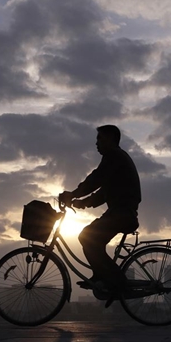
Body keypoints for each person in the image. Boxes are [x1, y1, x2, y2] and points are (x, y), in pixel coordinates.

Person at [59, 125, 141, 304]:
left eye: (100, 139)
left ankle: (118, 282)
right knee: (89, 238)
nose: (96, 143)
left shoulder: (113, 157)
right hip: (120, 212)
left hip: (121, 213)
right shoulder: (117, 159)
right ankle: (101, 277)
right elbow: (102, 193)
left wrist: (73, 194)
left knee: (87, 237)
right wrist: (80, 203)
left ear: (111, 139)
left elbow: (95, 179)